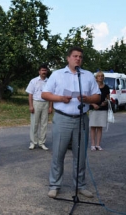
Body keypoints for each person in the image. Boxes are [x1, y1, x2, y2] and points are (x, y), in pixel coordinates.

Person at [41, 47, 100, 199]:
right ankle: (54, 185)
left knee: (80, 155)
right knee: (58, 154)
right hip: (62, 118)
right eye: (75, 56)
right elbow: (45, 94)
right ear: (68, 58)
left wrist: (87, 99)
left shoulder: (87, 75)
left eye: (80, 56)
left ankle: (80, 185)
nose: (78, 59)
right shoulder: (57, 74)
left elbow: (97, 96)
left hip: (81, 119)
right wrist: (61, 98)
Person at [26, 64, 53, 150]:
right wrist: (31, 106)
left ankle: (42, 143)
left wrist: (50, 107)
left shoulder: (49, 81)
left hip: (45, 103)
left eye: (45, 70)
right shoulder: (34, 81)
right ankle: (33, 142)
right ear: (39, 71)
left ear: (47, 71)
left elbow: (51, 95)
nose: (44, 72)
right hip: (36, 103)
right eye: (42, 70)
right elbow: (30, 94)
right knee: (35, 123)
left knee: (44, 124)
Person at [89, 71, 110, 151]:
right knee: (93, 127)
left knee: (100, 127)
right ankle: (93, 144)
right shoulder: (93, 87)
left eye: (102, 76)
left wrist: (106, 102)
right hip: (93, 108)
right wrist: (93, 104)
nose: (100, 77)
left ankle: (98, 144)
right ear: (96, 78)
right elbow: (88, 97)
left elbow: (108, 98)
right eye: (99, 76)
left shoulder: (106, 87)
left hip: (102, 109)